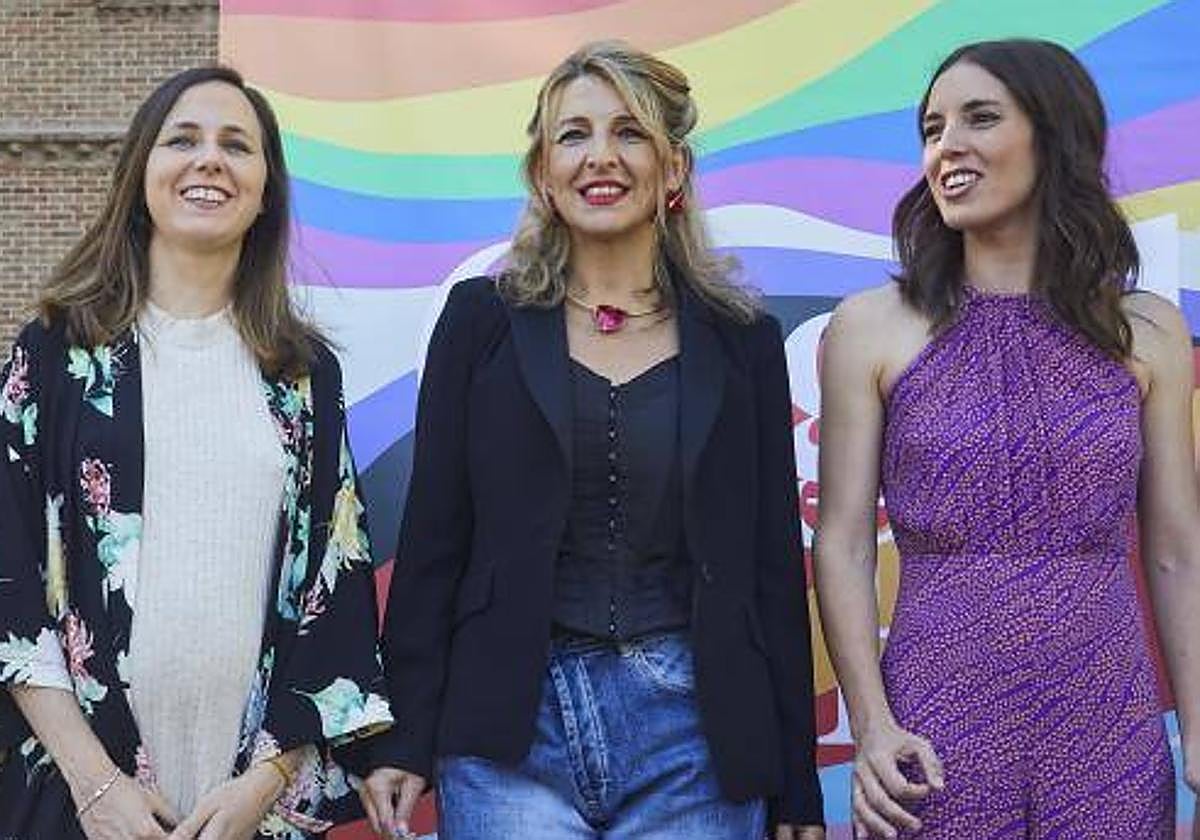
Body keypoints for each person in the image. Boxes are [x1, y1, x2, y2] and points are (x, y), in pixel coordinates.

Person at [358, 40, 824, 840]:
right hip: (509, 732)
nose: (599, 157)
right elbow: (433, 540)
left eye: (629, 132)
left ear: (673, 169)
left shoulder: (740, 340)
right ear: (542, 171)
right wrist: (404, 736)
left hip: (698, 740)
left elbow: (771, 567)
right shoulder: (481, 323)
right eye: (573, 135)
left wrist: (795, 786)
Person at [814, 38, 1200, 839]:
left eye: (979, 118)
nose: (946, 147)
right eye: (931, 128)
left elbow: (1175, 548)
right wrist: (873, 727)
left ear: (1054, 136)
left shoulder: (1150, 331)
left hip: (1110, 728)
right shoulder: (869, 328)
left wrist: (1198, 727)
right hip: (933, 728)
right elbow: (844, 542)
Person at [0, 66, 393, 839]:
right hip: (80, 800)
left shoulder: (306, 377)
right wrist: (95, 786)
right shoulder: (54, 354)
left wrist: (265, 785)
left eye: (236, 145)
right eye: (183, 139)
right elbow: (6, 574)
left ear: (265, 190)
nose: (209, 159)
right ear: (141, 171)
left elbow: (333, 591)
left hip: (247, 807)